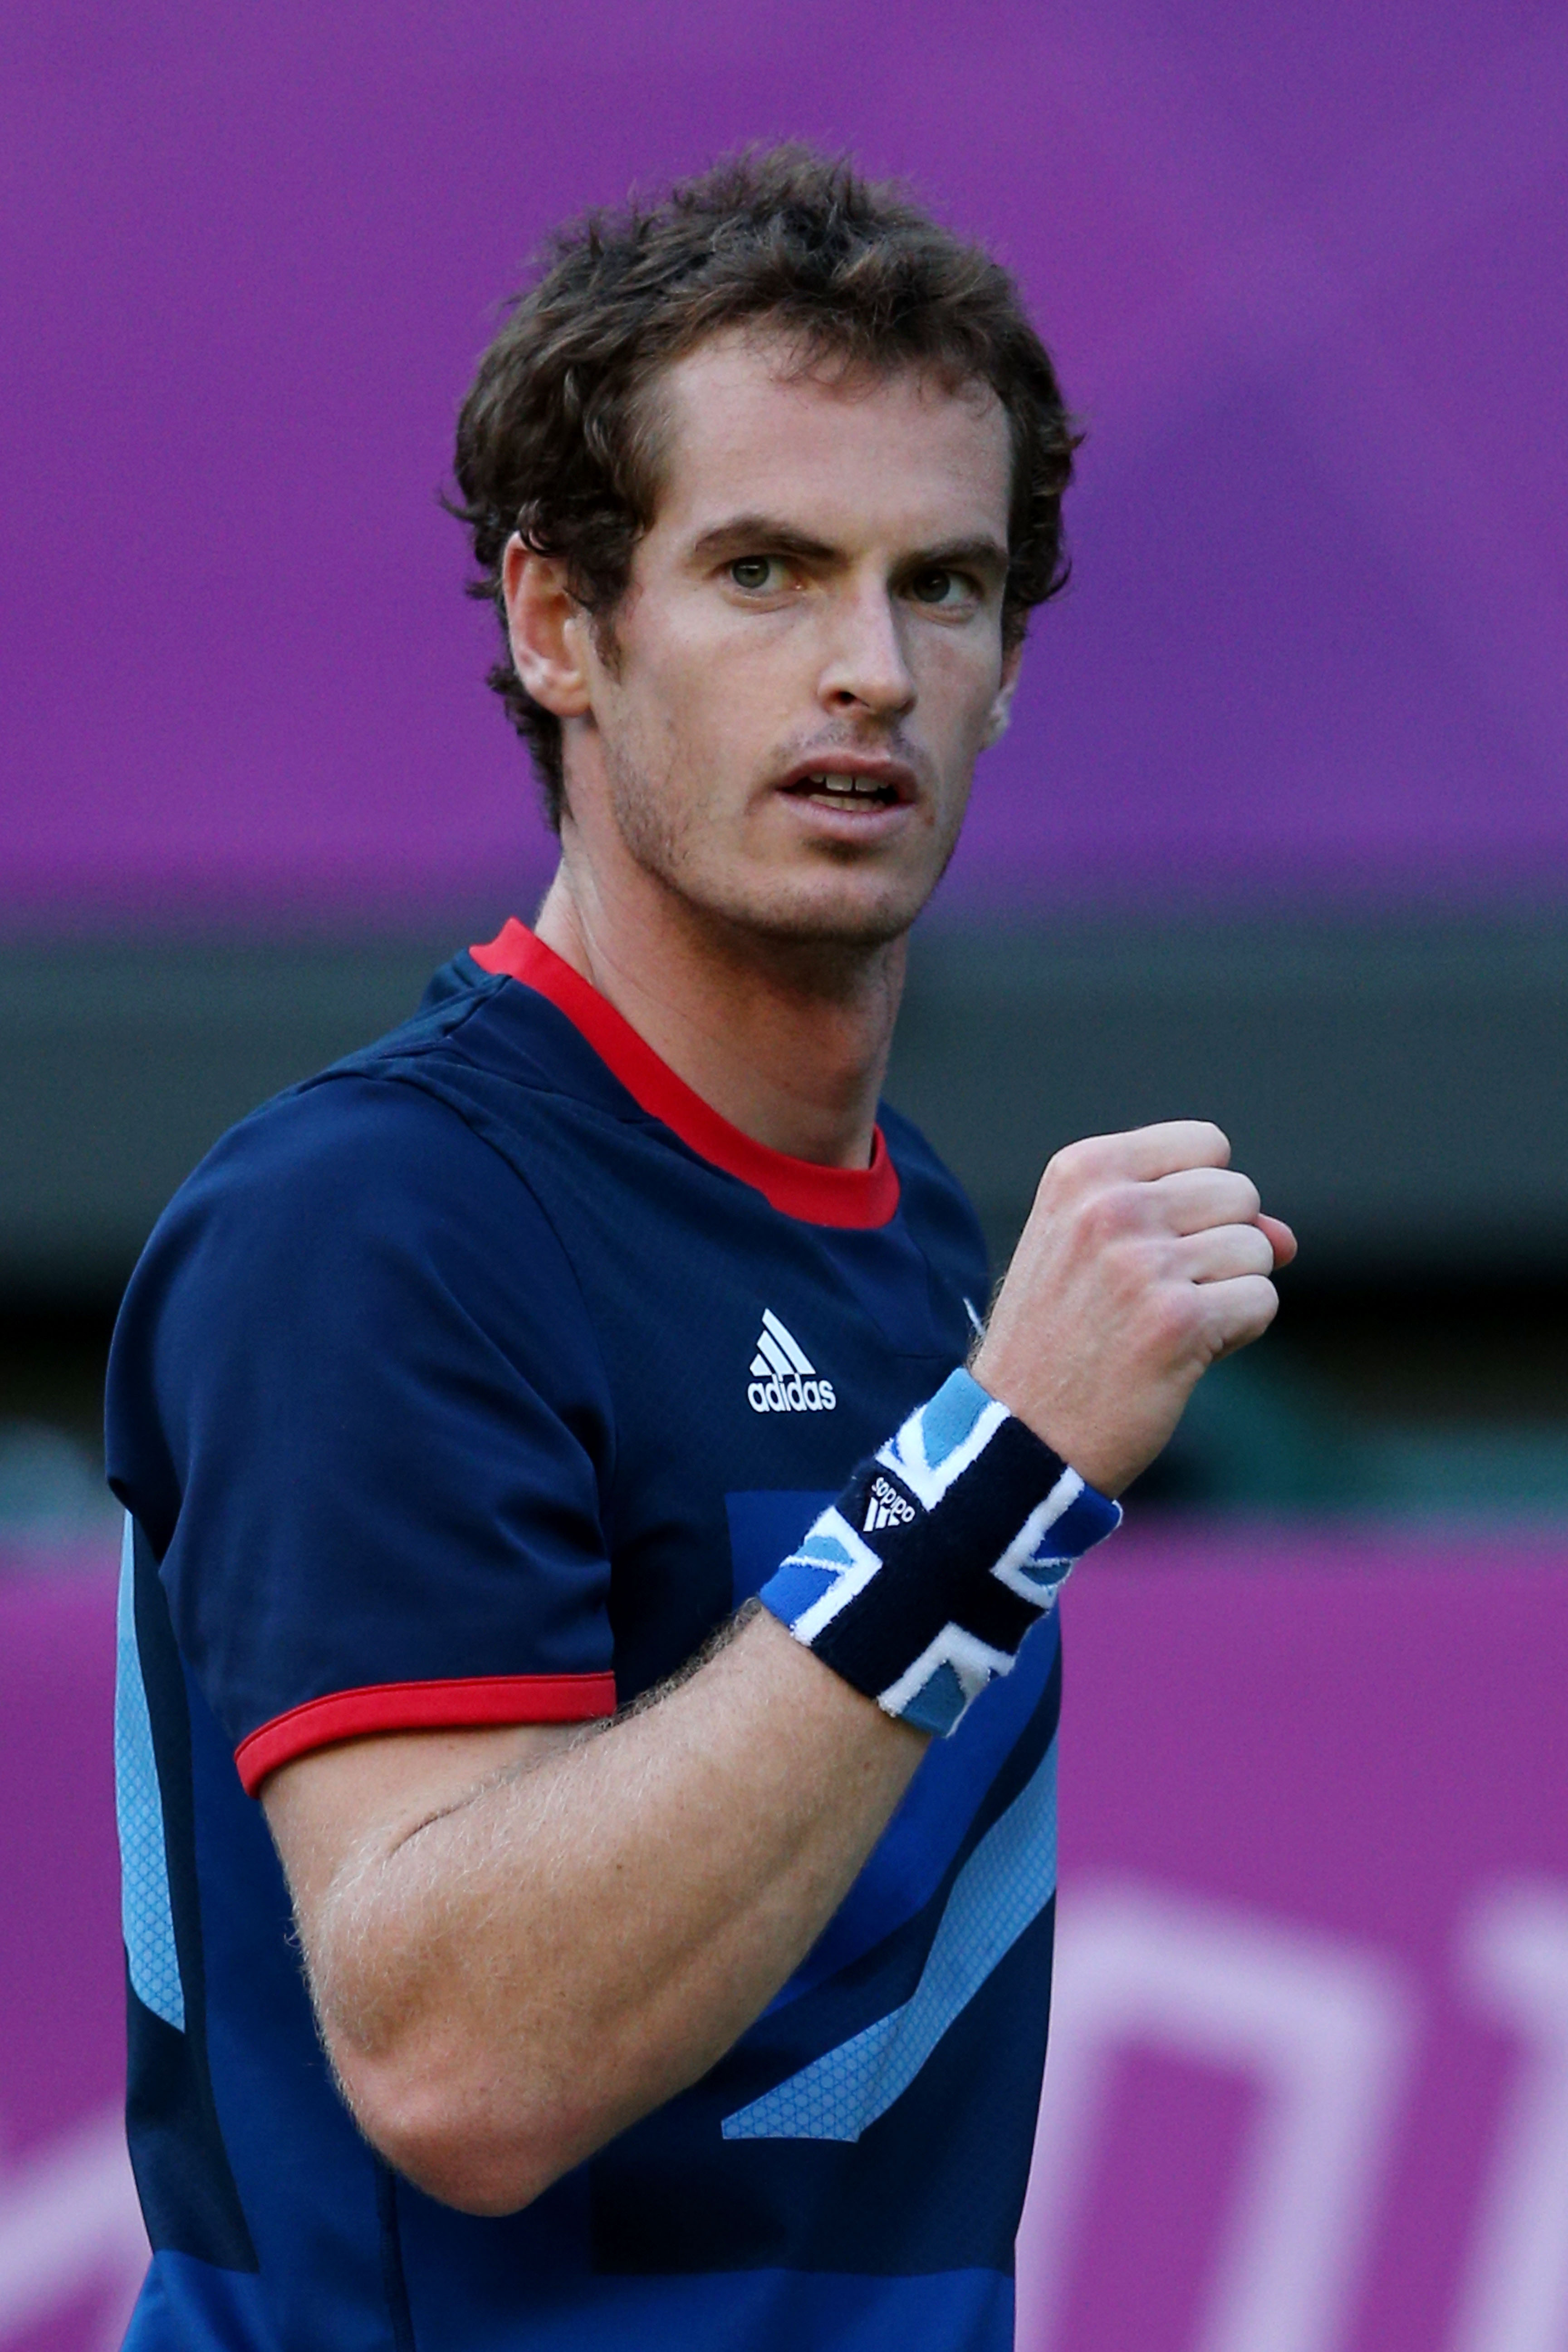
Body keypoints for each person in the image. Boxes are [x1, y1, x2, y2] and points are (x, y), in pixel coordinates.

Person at [106, 146, 1294, 2351]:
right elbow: (458, 2064)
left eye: (943, 589)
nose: (869, 668)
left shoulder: (921, 1236)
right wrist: (996, 1481)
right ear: (560, 621)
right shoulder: (368, 1225)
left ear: (1013, 664)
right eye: (765, 570)